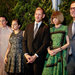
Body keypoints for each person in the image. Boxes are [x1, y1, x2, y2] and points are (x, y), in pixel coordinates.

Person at [23, 7, 50, 75]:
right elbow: (24, 41)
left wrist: (35, 56)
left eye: (39, 14)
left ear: (43, 16)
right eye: (36, 14)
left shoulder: (46, 28)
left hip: (38, 59)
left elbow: (45, 44)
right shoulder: (28, 26)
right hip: (27, 59)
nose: (37, 16)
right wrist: (26, 55)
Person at [67, 1, 75, 75]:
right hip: (70, 59)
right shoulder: (69, 25)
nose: (73, 10)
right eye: (71, 8)